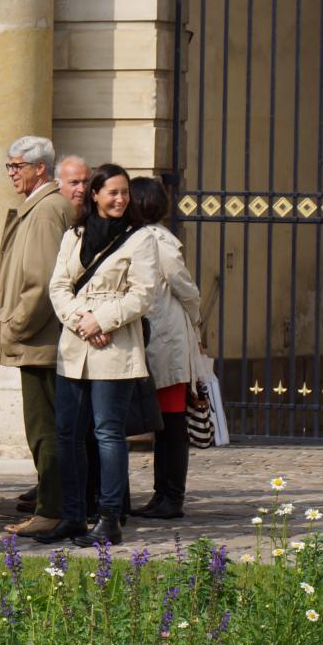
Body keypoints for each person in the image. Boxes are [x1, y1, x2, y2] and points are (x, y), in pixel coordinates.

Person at [45, 163, 160, 547]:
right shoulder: (74, 235)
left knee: (108, 433)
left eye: (124, 192)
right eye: (112, 192)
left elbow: (143, 295)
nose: (120, 199)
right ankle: (73, 516)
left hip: (115, 347)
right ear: (94, 194)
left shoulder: (140, 239)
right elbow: (59, 286)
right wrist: (82, 321)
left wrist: (102, 320)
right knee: (67, 434)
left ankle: (109, 517)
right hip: (75, 346)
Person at [0, 136, 73, 538]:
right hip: (40, 340)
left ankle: (51, 510)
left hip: (40, 342)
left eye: (16, 165)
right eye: (9, 165)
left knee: (43, 430)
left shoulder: (45, 210)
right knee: (47, 428)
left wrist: (14, 327)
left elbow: (40, 282)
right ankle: (55, 506)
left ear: (40, 168)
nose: (11, 173)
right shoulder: (42, 207)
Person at [131, 176, 202, 520]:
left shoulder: (158, 240)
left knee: (172, 425)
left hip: (167, 341)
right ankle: (162, 494)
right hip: (154, 339)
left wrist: (196, 318)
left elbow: (185, 288)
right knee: (163, 426)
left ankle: (172, 496)